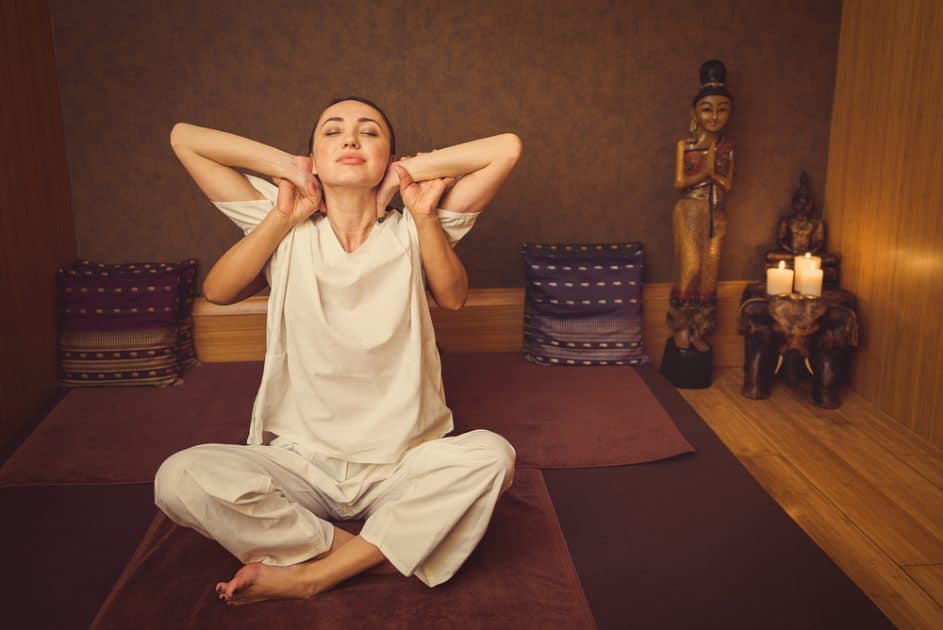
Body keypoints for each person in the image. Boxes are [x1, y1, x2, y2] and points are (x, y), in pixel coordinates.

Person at [154, 96, 522, 606]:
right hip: (300, 462)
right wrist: (289, 175)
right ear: (313, 157)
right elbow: (185, 141)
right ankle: (374, 553)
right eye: (333, 131)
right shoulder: (282, 221)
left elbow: (505, 150)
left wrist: (404, 180)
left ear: (389, 157)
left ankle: (312, 576)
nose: (350, 139)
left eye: (369, 132)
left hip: (404, 461)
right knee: (178, 478)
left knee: (492, 458)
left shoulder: (416, 225)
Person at [668, 60, 735, 352]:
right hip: (691, 209)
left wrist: (714, 172)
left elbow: (728, 183)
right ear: (694, 111)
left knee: (710, 272)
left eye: (722, 109)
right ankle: (681, 326)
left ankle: (700, 329)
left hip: (717, 211)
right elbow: (680, 181)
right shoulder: (687, 145)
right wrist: (707, 171)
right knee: (691, 267)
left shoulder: (727, 148)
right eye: (707, 108)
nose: (714, 116)